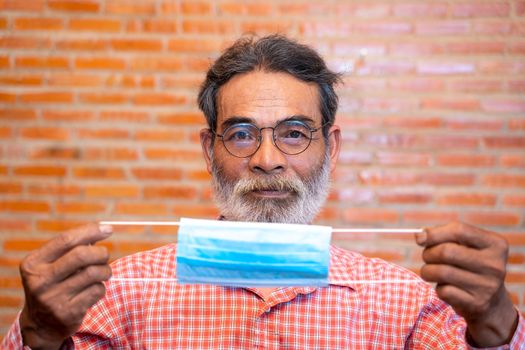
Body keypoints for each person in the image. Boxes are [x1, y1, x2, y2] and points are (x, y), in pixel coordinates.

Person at [2, 35, 524, 349]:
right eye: (242, 133)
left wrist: (498, 325)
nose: (268, 159)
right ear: (210, 151)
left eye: (294, 133)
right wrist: (39, 334)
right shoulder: (116, 296)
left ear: (331, 148)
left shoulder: (409, 304)